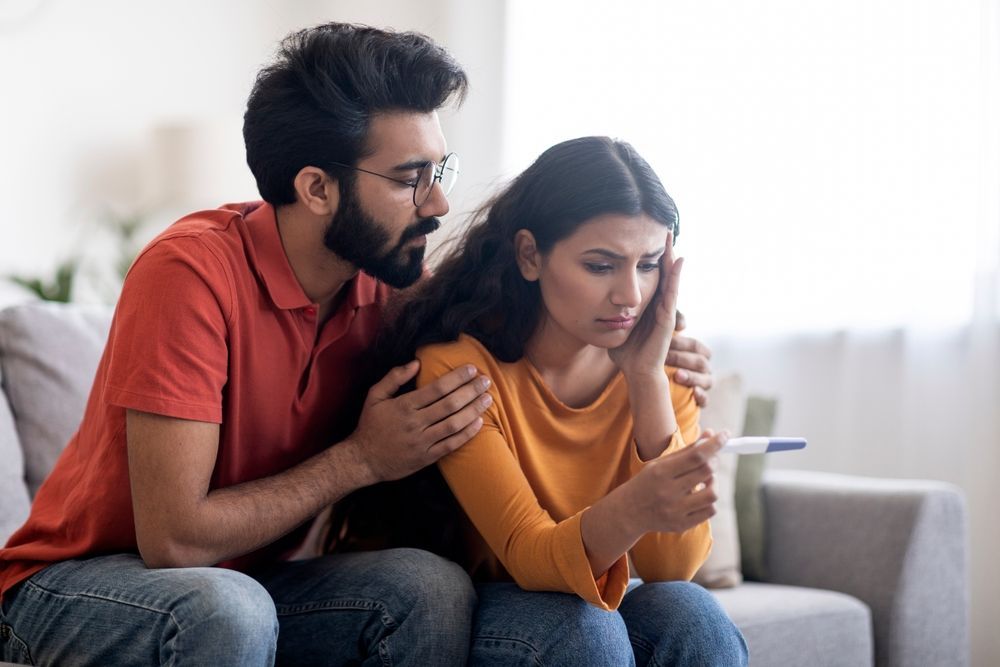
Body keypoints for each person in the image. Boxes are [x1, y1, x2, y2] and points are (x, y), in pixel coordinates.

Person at [0, 24, 715, 667]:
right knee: (224, 607)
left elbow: (501, 312)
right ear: (316, 188)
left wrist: (655, 350)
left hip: (253, 575)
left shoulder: (388, 284)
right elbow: (175, 540)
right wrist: (362, 458)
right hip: (79, 582)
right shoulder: (189, 272)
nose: (436, 204)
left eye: (441, 172)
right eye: (410, 180)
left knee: (422, 586)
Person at [366, 136, 749, 665]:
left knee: (690, 612)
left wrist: (645, 381)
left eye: (648, 264)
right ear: (530, 255)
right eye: (600, 265)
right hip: (495, 603)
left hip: (586, 602)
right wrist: (638, 505)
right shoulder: (460, 370)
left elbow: (671, 568)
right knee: (581, 628)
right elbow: (528, 554)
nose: (631, 296)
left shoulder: (663, 368)